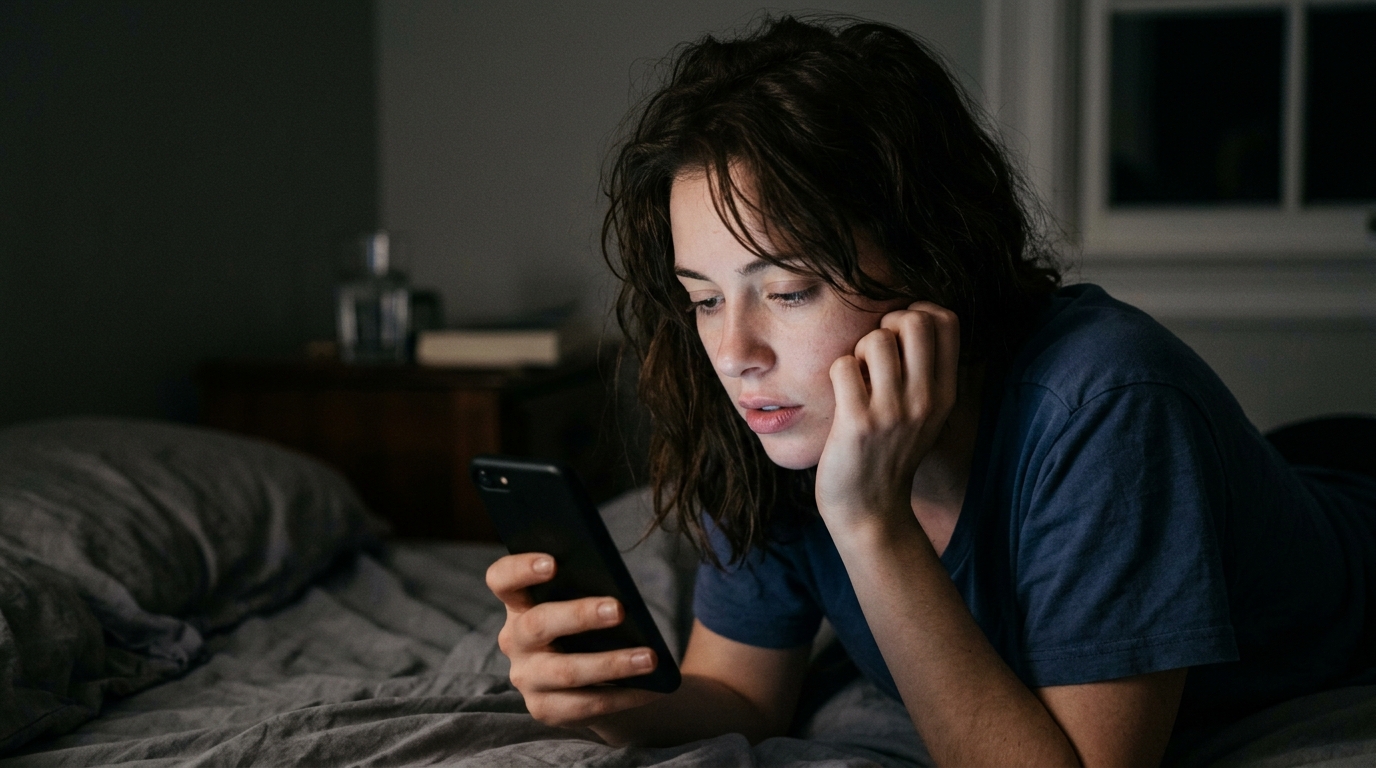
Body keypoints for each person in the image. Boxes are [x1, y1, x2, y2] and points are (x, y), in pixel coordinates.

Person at [485, 15, 1376, 767]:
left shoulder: (1105, 402)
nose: (735, 352)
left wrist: (869, 520)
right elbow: (746, 695)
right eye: (704, 299)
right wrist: (606, 702)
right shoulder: (774, 411)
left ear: (929, 263)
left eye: (789, 291)